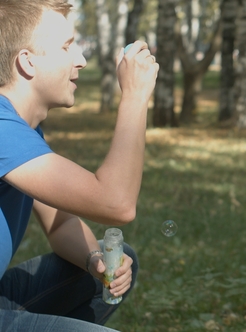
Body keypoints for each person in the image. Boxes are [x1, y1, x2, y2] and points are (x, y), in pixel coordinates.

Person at [0, 0, 159, 331]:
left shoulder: (22, 128)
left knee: (114, 252)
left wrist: (94, 262)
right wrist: (135, 96)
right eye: (67, 47)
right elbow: (116, 203)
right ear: (27, 62)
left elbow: (59, 224)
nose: (81, 61)